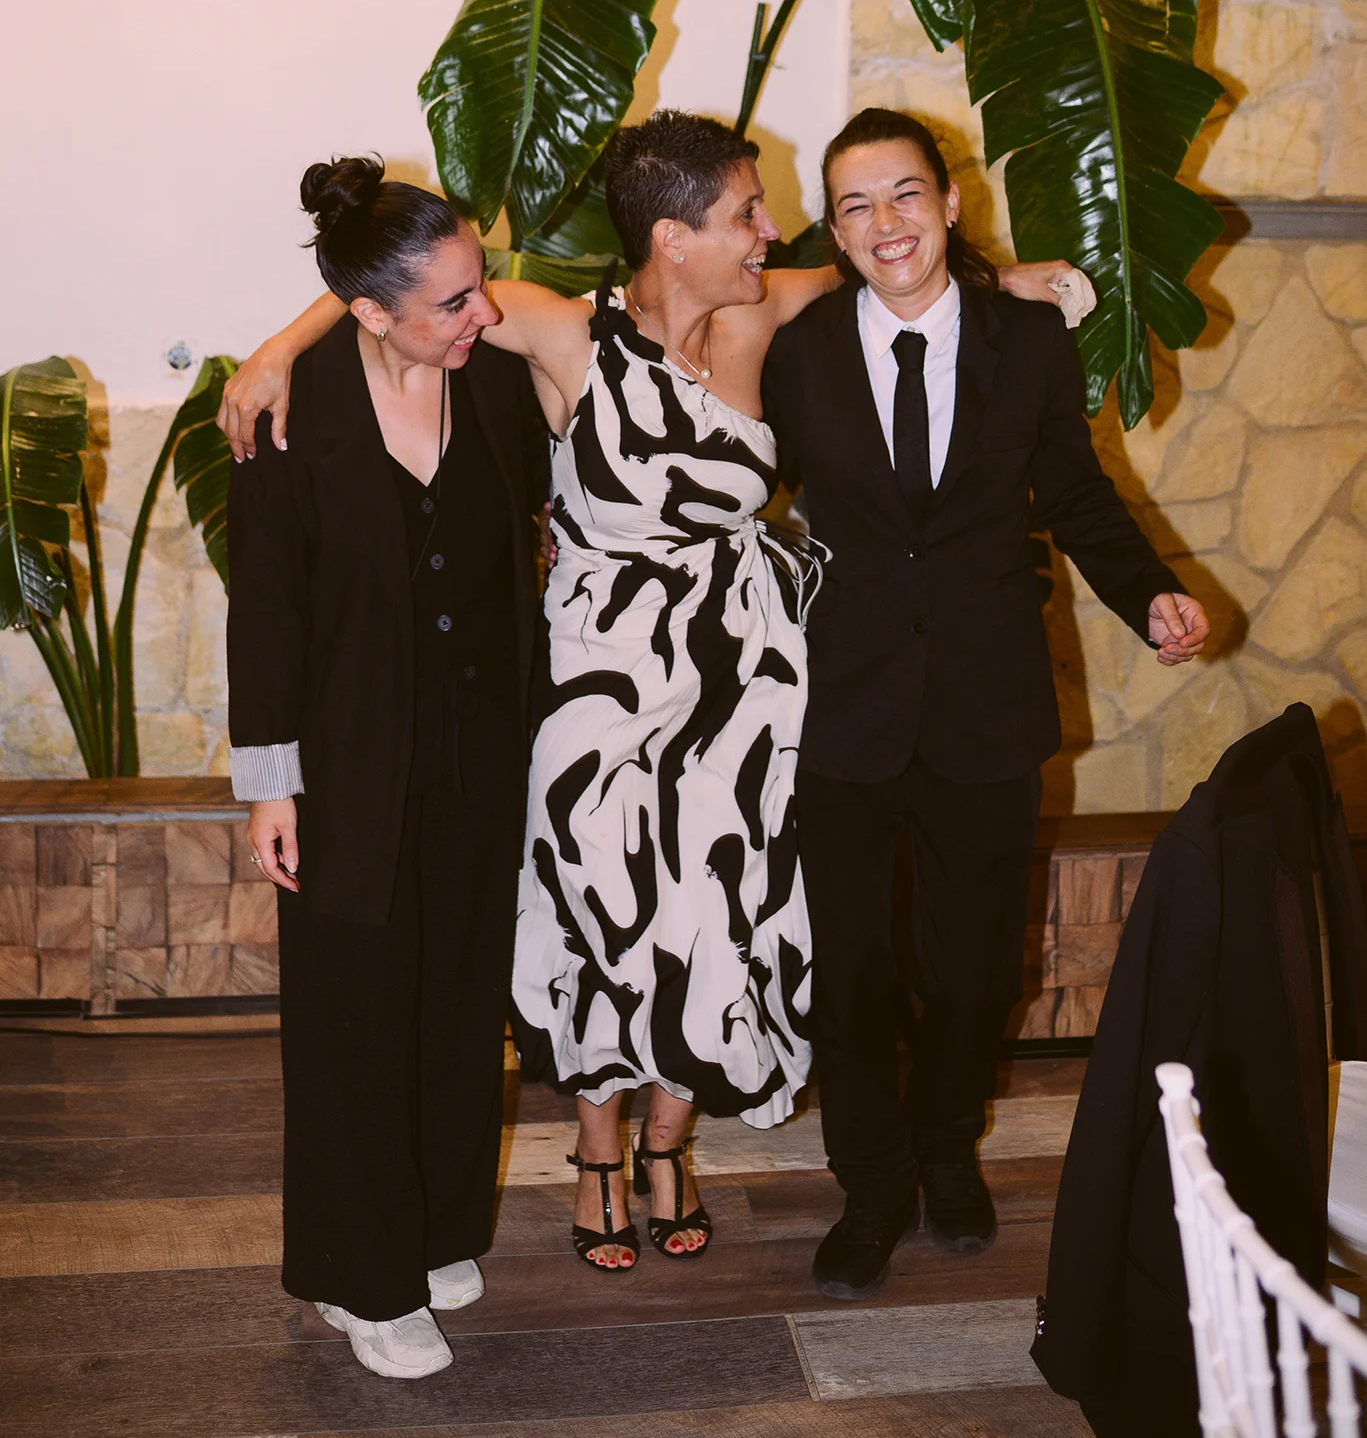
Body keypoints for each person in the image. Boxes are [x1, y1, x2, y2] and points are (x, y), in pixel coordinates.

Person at [220, 110, 1074, 1278]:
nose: (769, 232)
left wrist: (1011, 280)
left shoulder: (766, 309)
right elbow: (401, 287)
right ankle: (596, 1156)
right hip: (604, 685)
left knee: (713, 919)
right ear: (674, 238)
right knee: (601, 915)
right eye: (744, 214)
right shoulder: (560, 328)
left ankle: (669, 1147)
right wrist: (277, 346)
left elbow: (899, 271)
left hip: (746, 681)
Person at [761, 107, 1210, 1304]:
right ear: (834, 232)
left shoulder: (1026, 339)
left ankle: (947, 1150)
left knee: (967, 970)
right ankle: (870, 1185)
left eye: (903, 194)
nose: (884, 222)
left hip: (982, 701)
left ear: (949, 201)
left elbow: (1074, 490)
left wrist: (1151, 594)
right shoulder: (799, 351)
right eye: (855, 205)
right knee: (852, 971)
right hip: (841, 709)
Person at [227, 158, 548, 1381]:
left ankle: (433, 1227)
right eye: (452, 302)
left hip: (480, 754)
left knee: (459, 999)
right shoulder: (289, 405)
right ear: (368, 312)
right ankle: (361, 1278)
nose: (484, 313)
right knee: (353, 1016)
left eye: (479, 286)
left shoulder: (496, 382)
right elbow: (266, 606)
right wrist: (270, 780)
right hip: (344, 764)